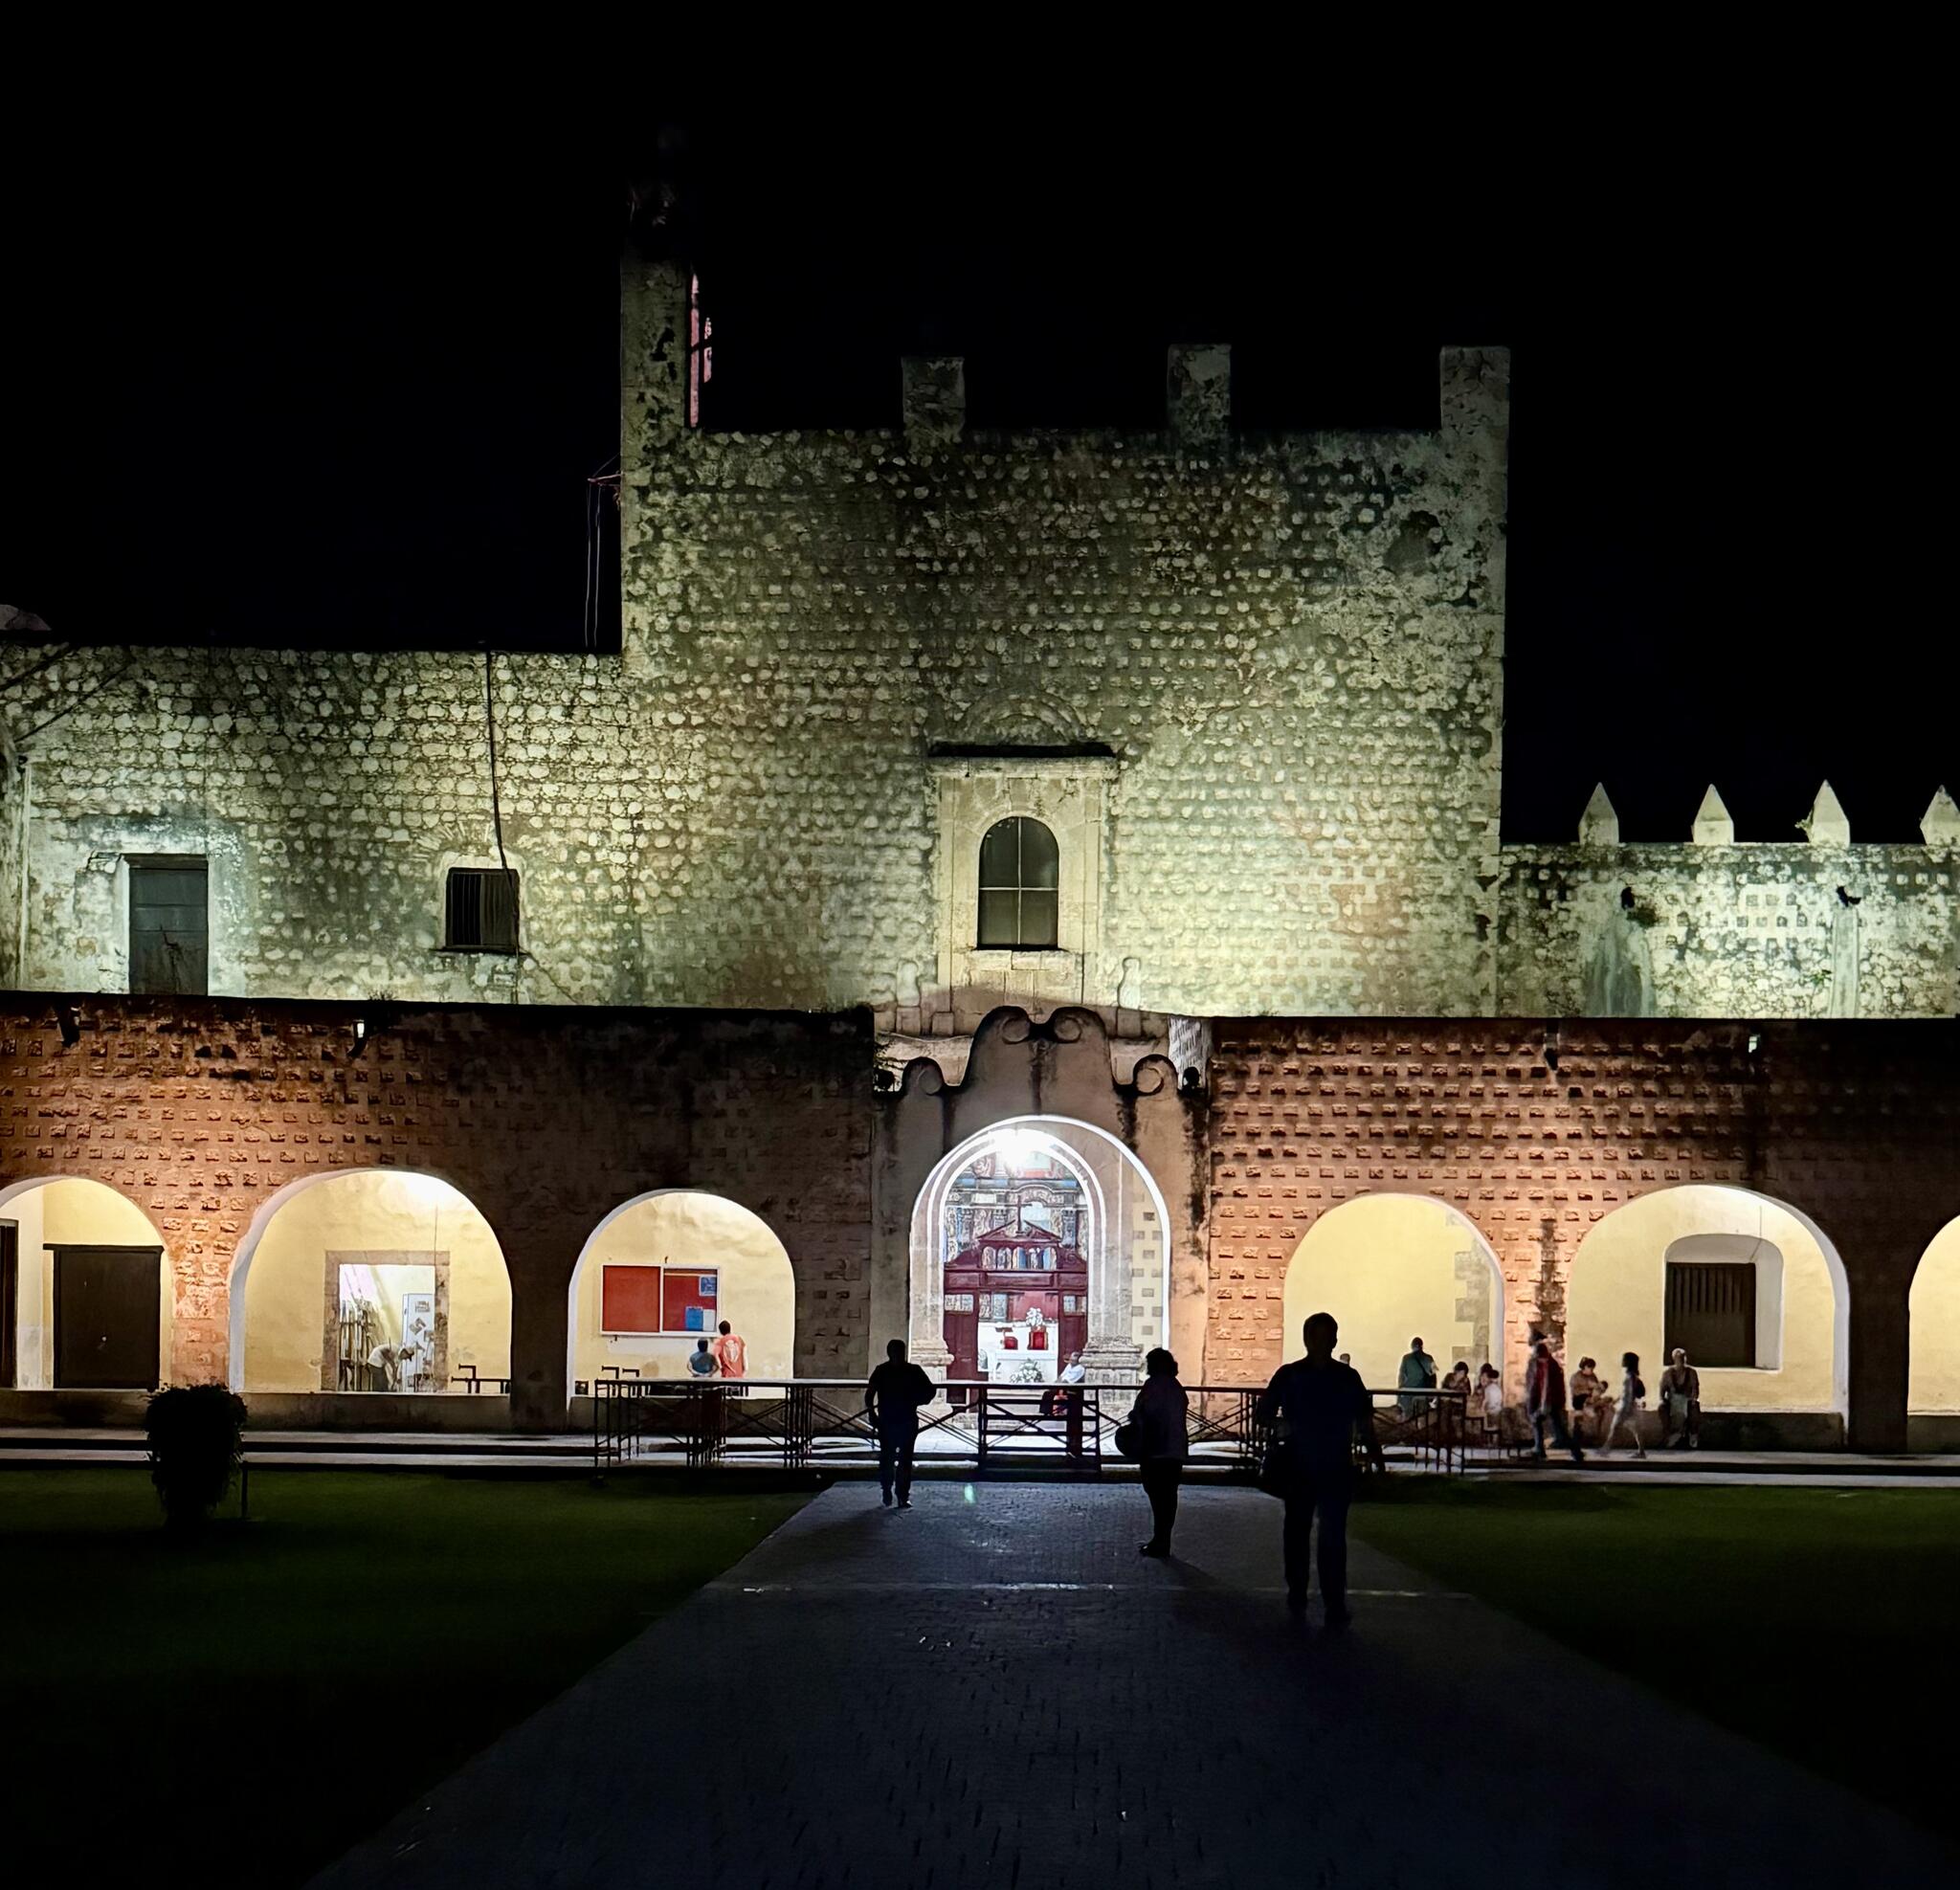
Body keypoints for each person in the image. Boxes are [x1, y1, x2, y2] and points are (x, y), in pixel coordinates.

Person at [1256, 1312, 1383, 1625]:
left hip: (1326, 1465)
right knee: (1312, 1534)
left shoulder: (1303, 1375)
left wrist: (1375, 1456)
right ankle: (1314, 1596)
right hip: (1311, 1465)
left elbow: (1364, 1423)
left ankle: (1323, 1598)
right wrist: (1376, 1457)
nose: (1324, 1342)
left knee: (1321, 1536)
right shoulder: (1330, 1377)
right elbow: (1264, 1413)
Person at [1127, 1347, 1189, 1558]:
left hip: (1155, 1448)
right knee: (1169, 1495)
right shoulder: (1176, 1387)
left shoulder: (1153, 1386)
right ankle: (1164, 1538)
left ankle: (1160, 1539)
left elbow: (1145, 1414)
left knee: (1157, 1494)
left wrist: (1135, 1418)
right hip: (1174, 1448)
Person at [865, 1338, 936, 1508]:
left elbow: (869, 1394)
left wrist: (872, 1413)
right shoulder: (910, 1371)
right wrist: (917, 1401)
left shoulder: (884, 1371)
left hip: (893, 1420)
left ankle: (895, 1492)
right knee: (899, 1459)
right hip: (901, 1420)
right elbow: (930, 1390)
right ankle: (895, 1493)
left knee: (893, 1458)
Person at [1524, 1333, 1584, 1463]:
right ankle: (1540, 1449)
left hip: (1548, 1400)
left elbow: (1544, 1384)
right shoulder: (1541, 1361)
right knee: (1542, 1424)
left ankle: (1574, 1451)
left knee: (1557, 1429)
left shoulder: (1544, 1362)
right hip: (1545, 1400)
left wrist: (1543, 1403)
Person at [1599, 1350, 1647, 1458]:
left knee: (1615, 1428)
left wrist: (1626, 1407)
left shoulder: (1629, 1376)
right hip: (1630, 1406)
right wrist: (1615, 1401)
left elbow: (1628, 1393)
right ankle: (1641, 1452)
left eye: (1624, 1359)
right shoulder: (1632, 1375)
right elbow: (1624, 1393)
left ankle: (1605, 1449)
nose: (1622, 1361)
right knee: (1636, 1430)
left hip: (1626, 1406)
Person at [1659, 1348, 1702, 1449]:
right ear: (1674, 1359)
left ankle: (1693, 1435)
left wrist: (1693, 1399)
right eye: (1679, 1358)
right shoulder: (1668, 1373)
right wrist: (1664, 1400)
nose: (1681, 1360)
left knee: (1694, 1407)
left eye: (1683, 1357)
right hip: (1673, 1400)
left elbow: (1695, 1389)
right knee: (1662, 1408)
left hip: (1686, 1399)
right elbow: (1662, 1390)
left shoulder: (1691, 1372)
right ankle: (1670, 1434)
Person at [1397, 1338, 1437, 1421]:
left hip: (1409, 1393)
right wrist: (1433, 1392)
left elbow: (1401, 1376)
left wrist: (1399, 1391)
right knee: (1422, 1417)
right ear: (1422, 1346)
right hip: (1424, 1392)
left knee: (1408, 1417)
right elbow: (1434, 1376)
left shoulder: (1406, 1358)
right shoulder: (1429, 1358)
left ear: (1412, 1346)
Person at [1570, 1356, 1603, 1441]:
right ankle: (1577, 1436)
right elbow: (1575, 1391)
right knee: (1579, 1419)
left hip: (1591, 1399)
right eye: (1589, 1367)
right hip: (1579, 1400)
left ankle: (1595, 1435)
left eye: (1592, 1368)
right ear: (1584, 1367)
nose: (1591, 1370)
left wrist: (1598, 1387)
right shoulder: (1576, 1377)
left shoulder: (1593, 1376)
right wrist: (1586, 1390)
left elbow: (1598, 1388)